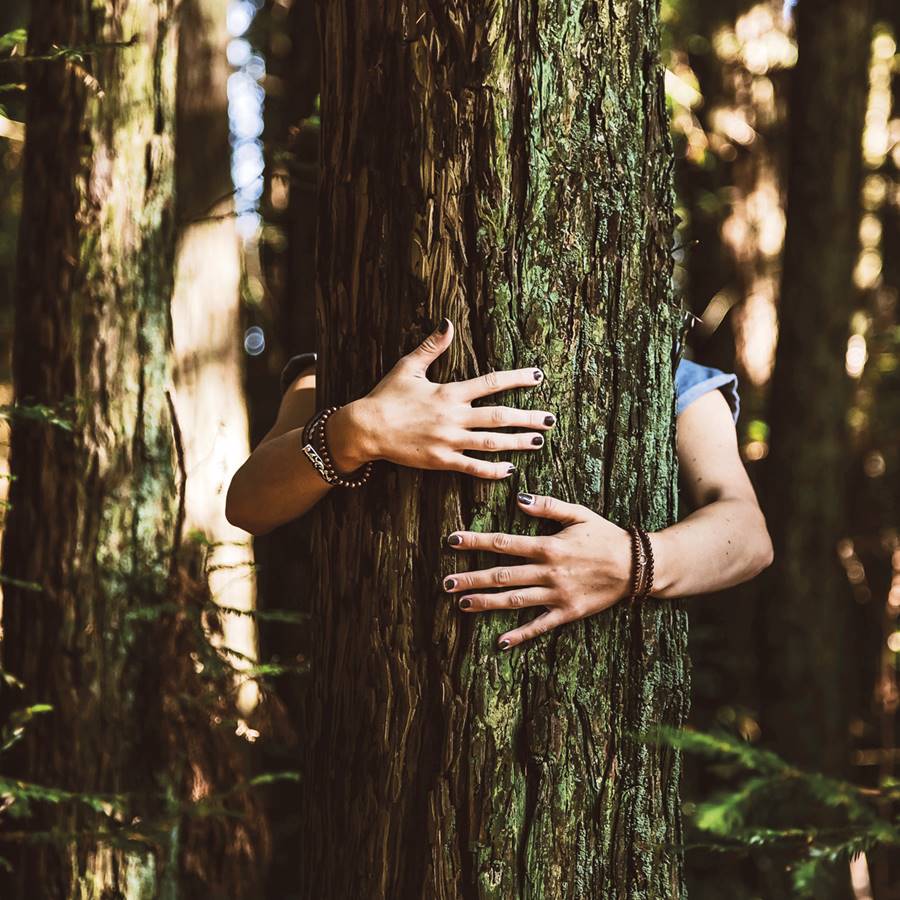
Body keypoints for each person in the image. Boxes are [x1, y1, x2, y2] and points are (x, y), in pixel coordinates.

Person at [226, 317, 773, 649]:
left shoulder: (666, 376)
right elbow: (249, 503)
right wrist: (359, 429)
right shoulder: (344, 362)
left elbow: (747, 535)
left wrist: (632, 562)